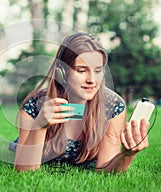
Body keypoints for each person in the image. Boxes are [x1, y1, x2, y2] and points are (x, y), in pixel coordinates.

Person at [9, 32, 150, 173]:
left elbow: (104, 170)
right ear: (62, 72)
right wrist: (39, 126)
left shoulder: (113, 107)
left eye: (98, 71)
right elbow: (24, 170)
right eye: (81, 70)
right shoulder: (35, 105)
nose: (92, 80)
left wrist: (128, 155)